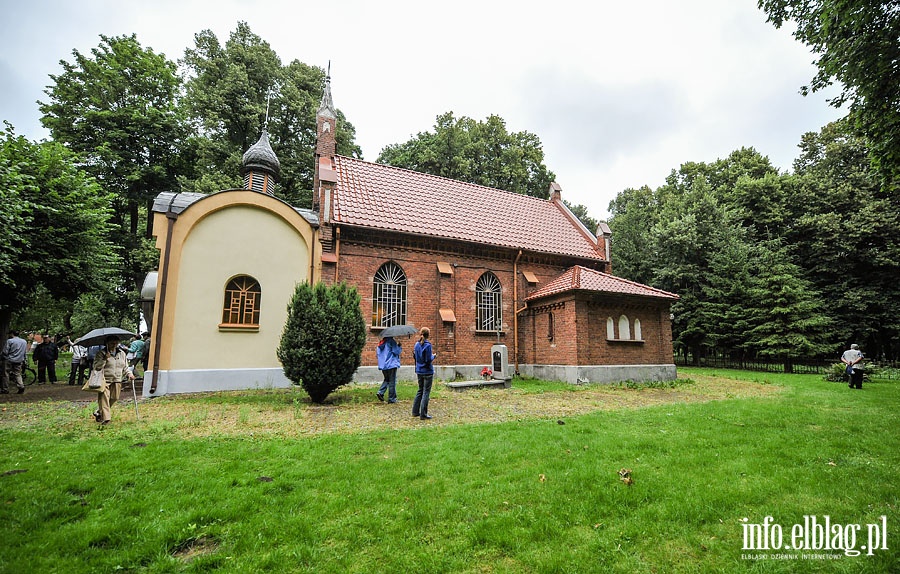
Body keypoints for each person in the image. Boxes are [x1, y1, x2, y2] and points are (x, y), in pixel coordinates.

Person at [90, 335, 135, 425]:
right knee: (104, 398)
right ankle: (106, 419)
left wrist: (129, 373)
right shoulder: (101, 353)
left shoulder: (121, 353)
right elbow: (96, 367)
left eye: (116, 343)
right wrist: (104, 359)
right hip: (104, 379)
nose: (114, 345)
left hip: (117, 379)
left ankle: (99, 411)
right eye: (111, 343)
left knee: (114, 398)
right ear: (107, 343)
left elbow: (125, 366)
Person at [412, 327, 436, 420]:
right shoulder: (428, 345)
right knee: (426, 392)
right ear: (428, 335)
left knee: (420, 390)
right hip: (427, 372)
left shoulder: (416, 344)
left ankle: (415, 411)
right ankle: (423, 414)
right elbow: (427, 360)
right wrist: (433, 356)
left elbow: (416, 357)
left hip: (419, 371)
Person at [376, 336, 402, 403]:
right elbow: (396, 351)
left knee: (387, 379)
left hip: (383, 365)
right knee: (392, 381)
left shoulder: (381, 343)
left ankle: (380, 392)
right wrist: (399, 346)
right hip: (391, 364)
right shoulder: (391, 341)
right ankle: (392, 399)